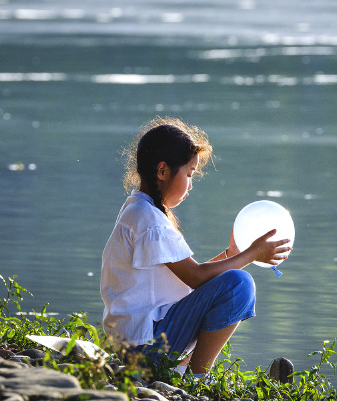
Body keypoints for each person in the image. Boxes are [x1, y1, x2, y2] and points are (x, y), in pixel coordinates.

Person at [100, 117, 291, 376]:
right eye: (189, 174)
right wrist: (251, 255)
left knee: (231, 281)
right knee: (239, 284)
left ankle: (181, 369)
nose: (190, 185)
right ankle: (197, 378)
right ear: (162, 171)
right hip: (146, 348)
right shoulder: (149, 220)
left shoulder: (139, 210)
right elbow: (196, 276)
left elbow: (190, 281)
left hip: (137, 345)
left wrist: (231, 254)